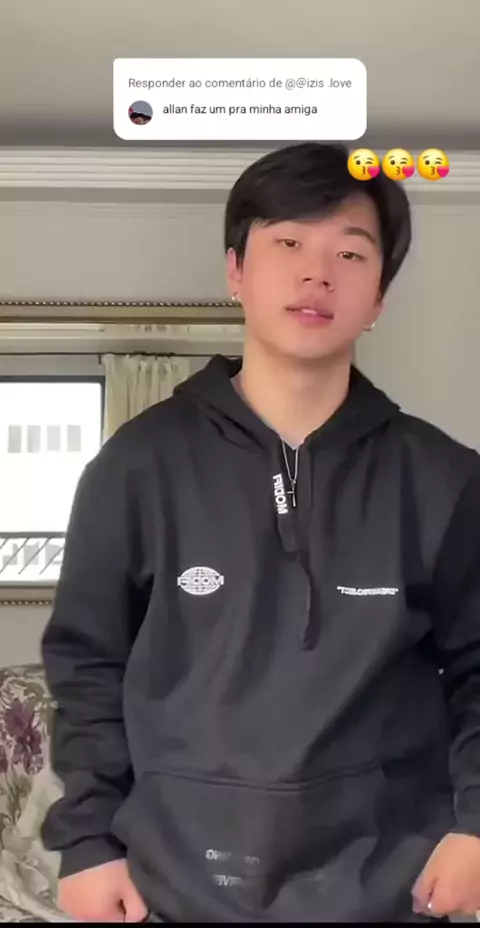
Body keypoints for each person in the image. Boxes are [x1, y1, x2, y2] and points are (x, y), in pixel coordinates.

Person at [41, 142, 480, 922]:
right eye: (288, 244)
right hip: (175, 885)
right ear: (236, 272)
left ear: (379, 296)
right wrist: (86, 842)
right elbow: (88, 668)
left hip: (389, 886)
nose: (318, 274)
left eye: (351, 253)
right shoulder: (136, 466)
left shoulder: (445, 479)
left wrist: (477, 825)